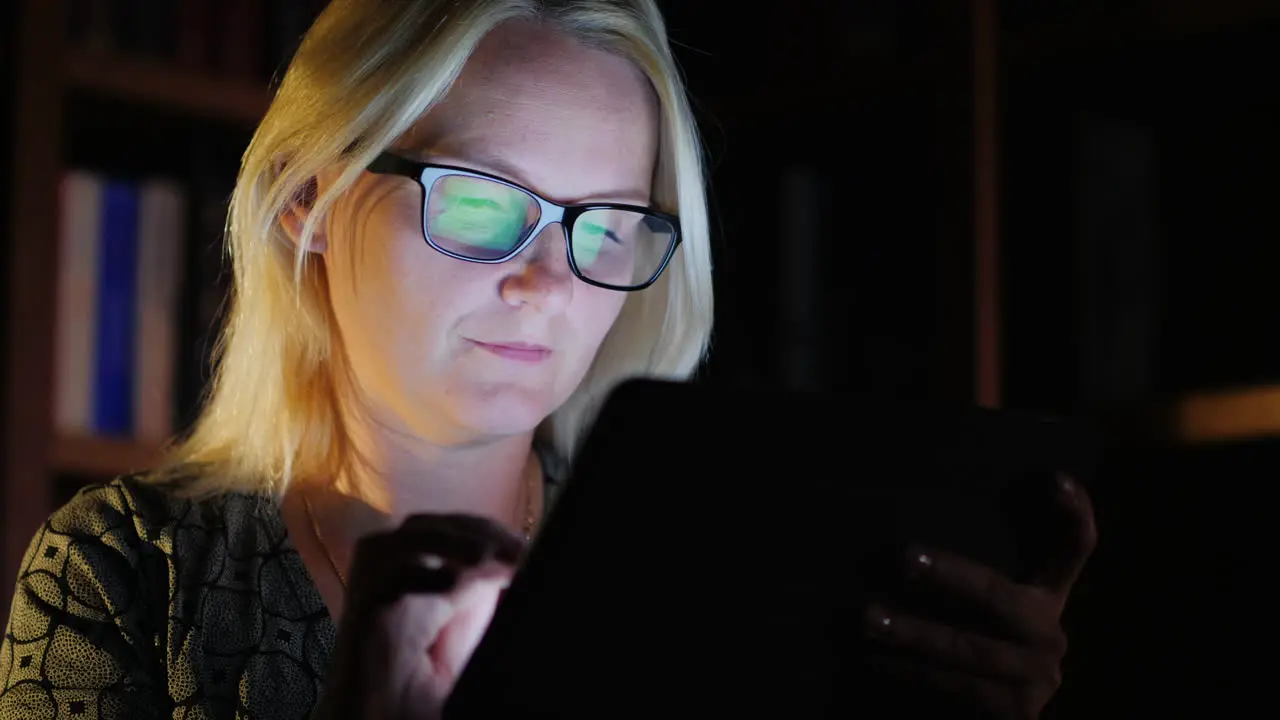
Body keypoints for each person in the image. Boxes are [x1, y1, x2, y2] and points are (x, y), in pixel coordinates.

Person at [0, 1, 1095, 719]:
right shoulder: (125, 573)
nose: (547, 282)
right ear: (308, 203)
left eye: (604, 222)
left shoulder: (708, 572)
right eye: (480, 203)